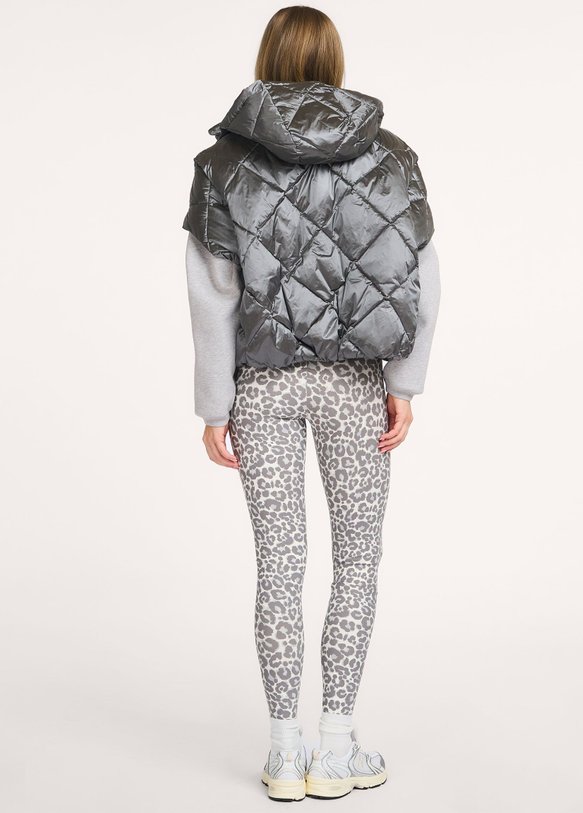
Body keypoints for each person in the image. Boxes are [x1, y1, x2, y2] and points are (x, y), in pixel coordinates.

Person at [182, 5, 440, 802]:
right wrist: (403, 384)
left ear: (268, 58)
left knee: (280, 564)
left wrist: (214, 404)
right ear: (334, 60)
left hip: (261, 387)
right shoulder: (391, 156)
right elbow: (424, 278)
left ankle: (283, 751)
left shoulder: (223, 163)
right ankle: (336, 747)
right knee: (357, 562)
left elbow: (212, 291)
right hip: (355, 384)